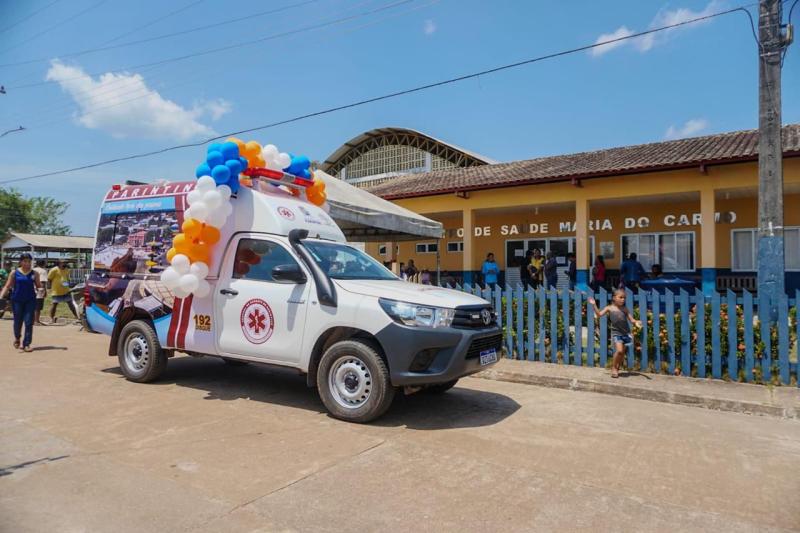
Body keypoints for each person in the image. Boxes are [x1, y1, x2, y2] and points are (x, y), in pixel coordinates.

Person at [588, 289, 641, 378]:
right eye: (620, 297)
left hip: (626, 333)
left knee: (622, 353)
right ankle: (613, 368)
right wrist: (594, 305)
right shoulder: (609, 308)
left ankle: (617, 368)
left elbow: (631, 320)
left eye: (624, 298)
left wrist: (636, 322)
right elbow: (599, 315)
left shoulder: (625, 309)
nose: (623, 299)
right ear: (614, 298)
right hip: (616, 333)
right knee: (619, 351)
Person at [0, 254, 42, 352]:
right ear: (21, 262)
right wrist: (1, 297)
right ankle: (17, 338)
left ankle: (26, 344)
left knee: (28, 322)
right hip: (17, 300)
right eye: (25, 261)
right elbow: (7, 286)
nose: (27, 263)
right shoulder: (14, 273)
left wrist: (41, 289)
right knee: (17, 321)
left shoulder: (34, 273)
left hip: (30, 300)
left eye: (29, 261)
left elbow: (39, 285)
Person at [33, 259, 48, 325]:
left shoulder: (32, 270)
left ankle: (32, 320)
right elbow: (42, 281)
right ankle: (36, 321)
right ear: (43, 264)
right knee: (38, 307)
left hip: (31, 289)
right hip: (38, 290)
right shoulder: (43, 271)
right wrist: (44, 291)